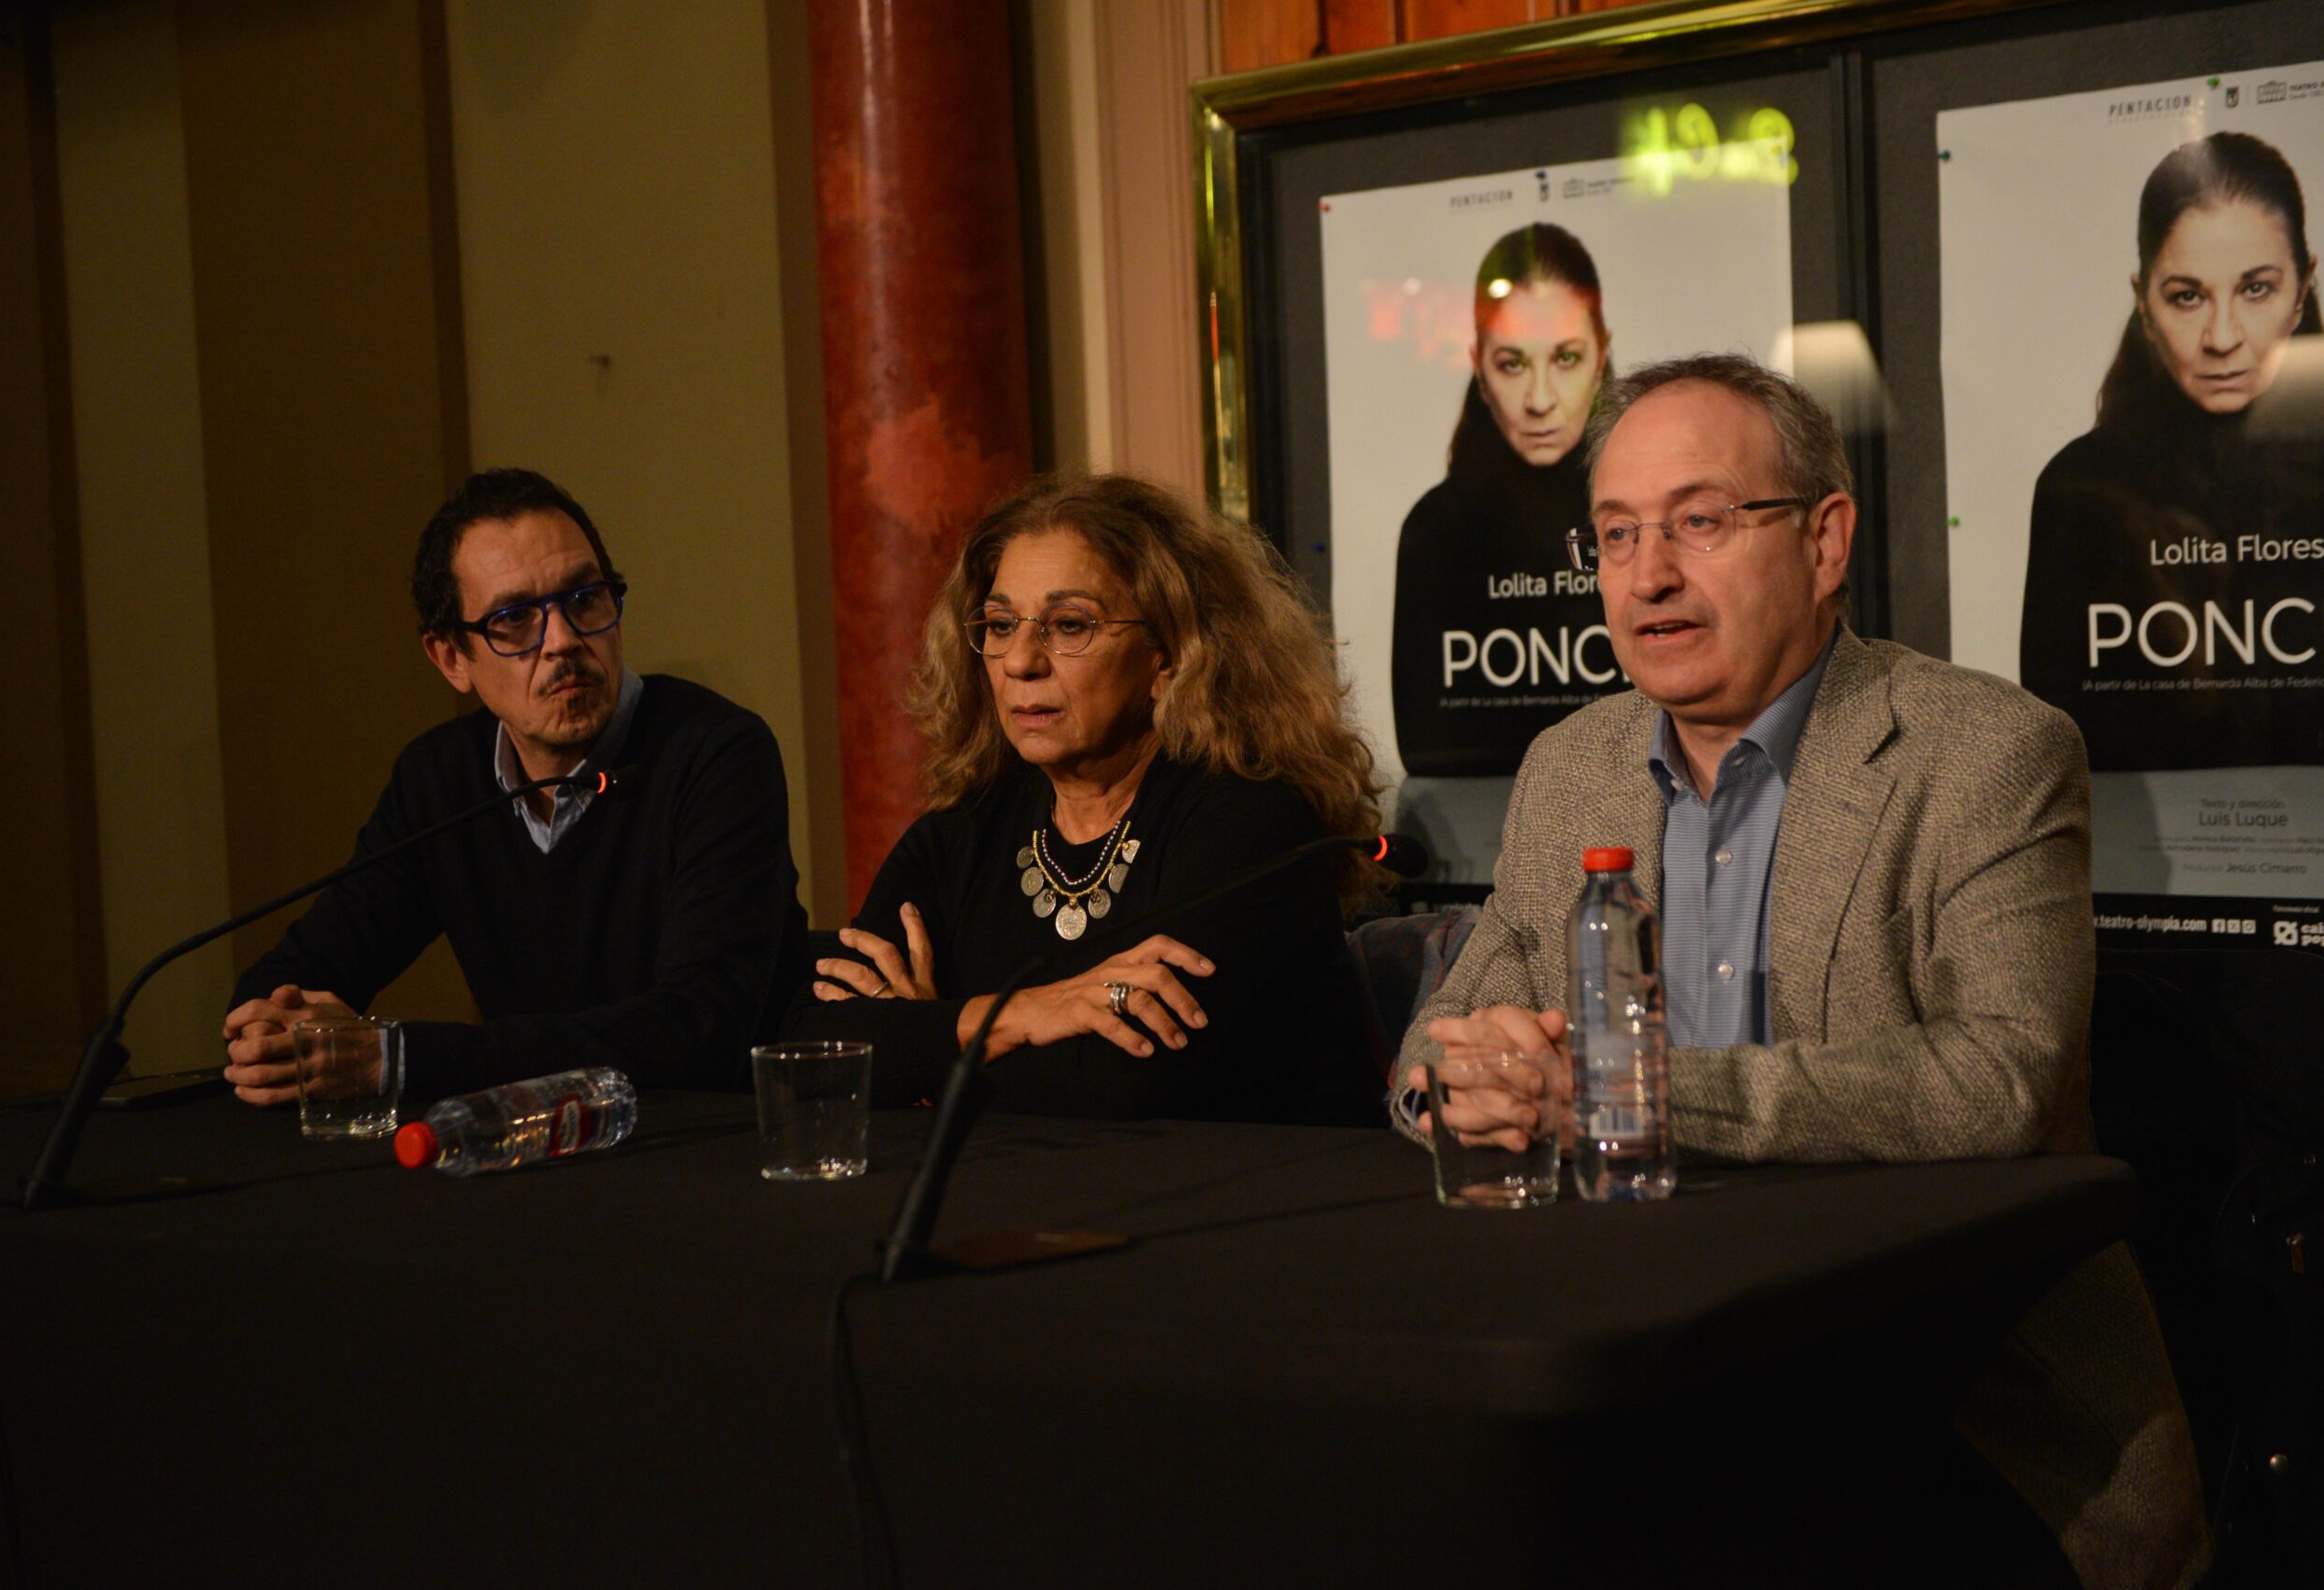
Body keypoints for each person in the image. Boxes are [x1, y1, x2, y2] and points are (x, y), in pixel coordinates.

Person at [1397, 354, 2206, 1589]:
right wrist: (1465, 1085)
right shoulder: (1570, 765)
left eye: (1699, 522)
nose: (1648, 575)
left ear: (1825, 542)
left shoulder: (1985, 751)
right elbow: (1443, 1037)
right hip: (1636, 1368)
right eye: (1615, 535)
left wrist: (1632, 1092)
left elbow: (1999, 1083)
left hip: (1944, 1399)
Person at [783, 473, 1384, 1122]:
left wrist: (928, 1044)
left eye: (1069, 625)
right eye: (1000, 625)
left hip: (1255, 1182)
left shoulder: (1249, 821)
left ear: (1170, 654)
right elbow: (810, 1049)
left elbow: (1128, 1082)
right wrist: (1020, 1015)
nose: (1020, 662)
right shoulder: (963, 834)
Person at [221, 468, 809, 1102]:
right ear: (452, 658)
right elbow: (305, 968)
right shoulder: (440, 780)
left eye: (585, 599)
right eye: (515, 619)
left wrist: (398, 1059)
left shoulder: (715, 753)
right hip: (532, 1147)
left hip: (711, 1140)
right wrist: (269, 1027)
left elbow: (700, 1030)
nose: (563, 641)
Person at [2021, 130, 2324, 770]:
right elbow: (2059, 753)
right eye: (2188, 296)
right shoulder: (2079, 491)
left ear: (2302, 288)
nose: (2222, 337)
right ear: (2144, 301)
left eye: (2256, 289)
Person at [1390, 222, 1624, 780]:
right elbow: (1427, 750)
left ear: (1600, 358)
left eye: (1565, 358)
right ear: (1479, 366)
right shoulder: (1434, 530)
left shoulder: (1649, 518)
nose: (1540, 400)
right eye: (1513, 363)